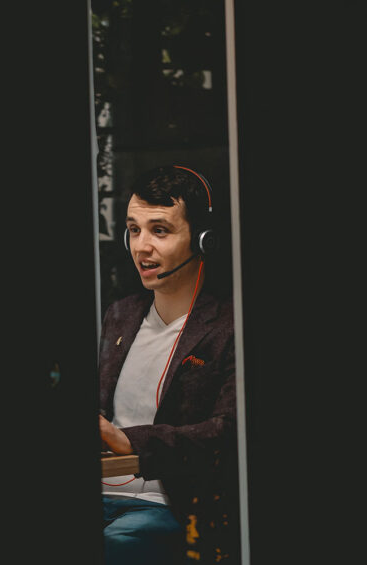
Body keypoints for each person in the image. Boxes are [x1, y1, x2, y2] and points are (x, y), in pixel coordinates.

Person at [98, 165, 239, 564]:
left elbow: (228, 431)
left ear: (203, 240)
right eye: (134, 229)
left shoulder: (229, 326)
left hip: (170, 504)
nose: (141, 247)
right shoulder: (121, 315)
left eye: (160, 231)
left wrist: (131, 442)